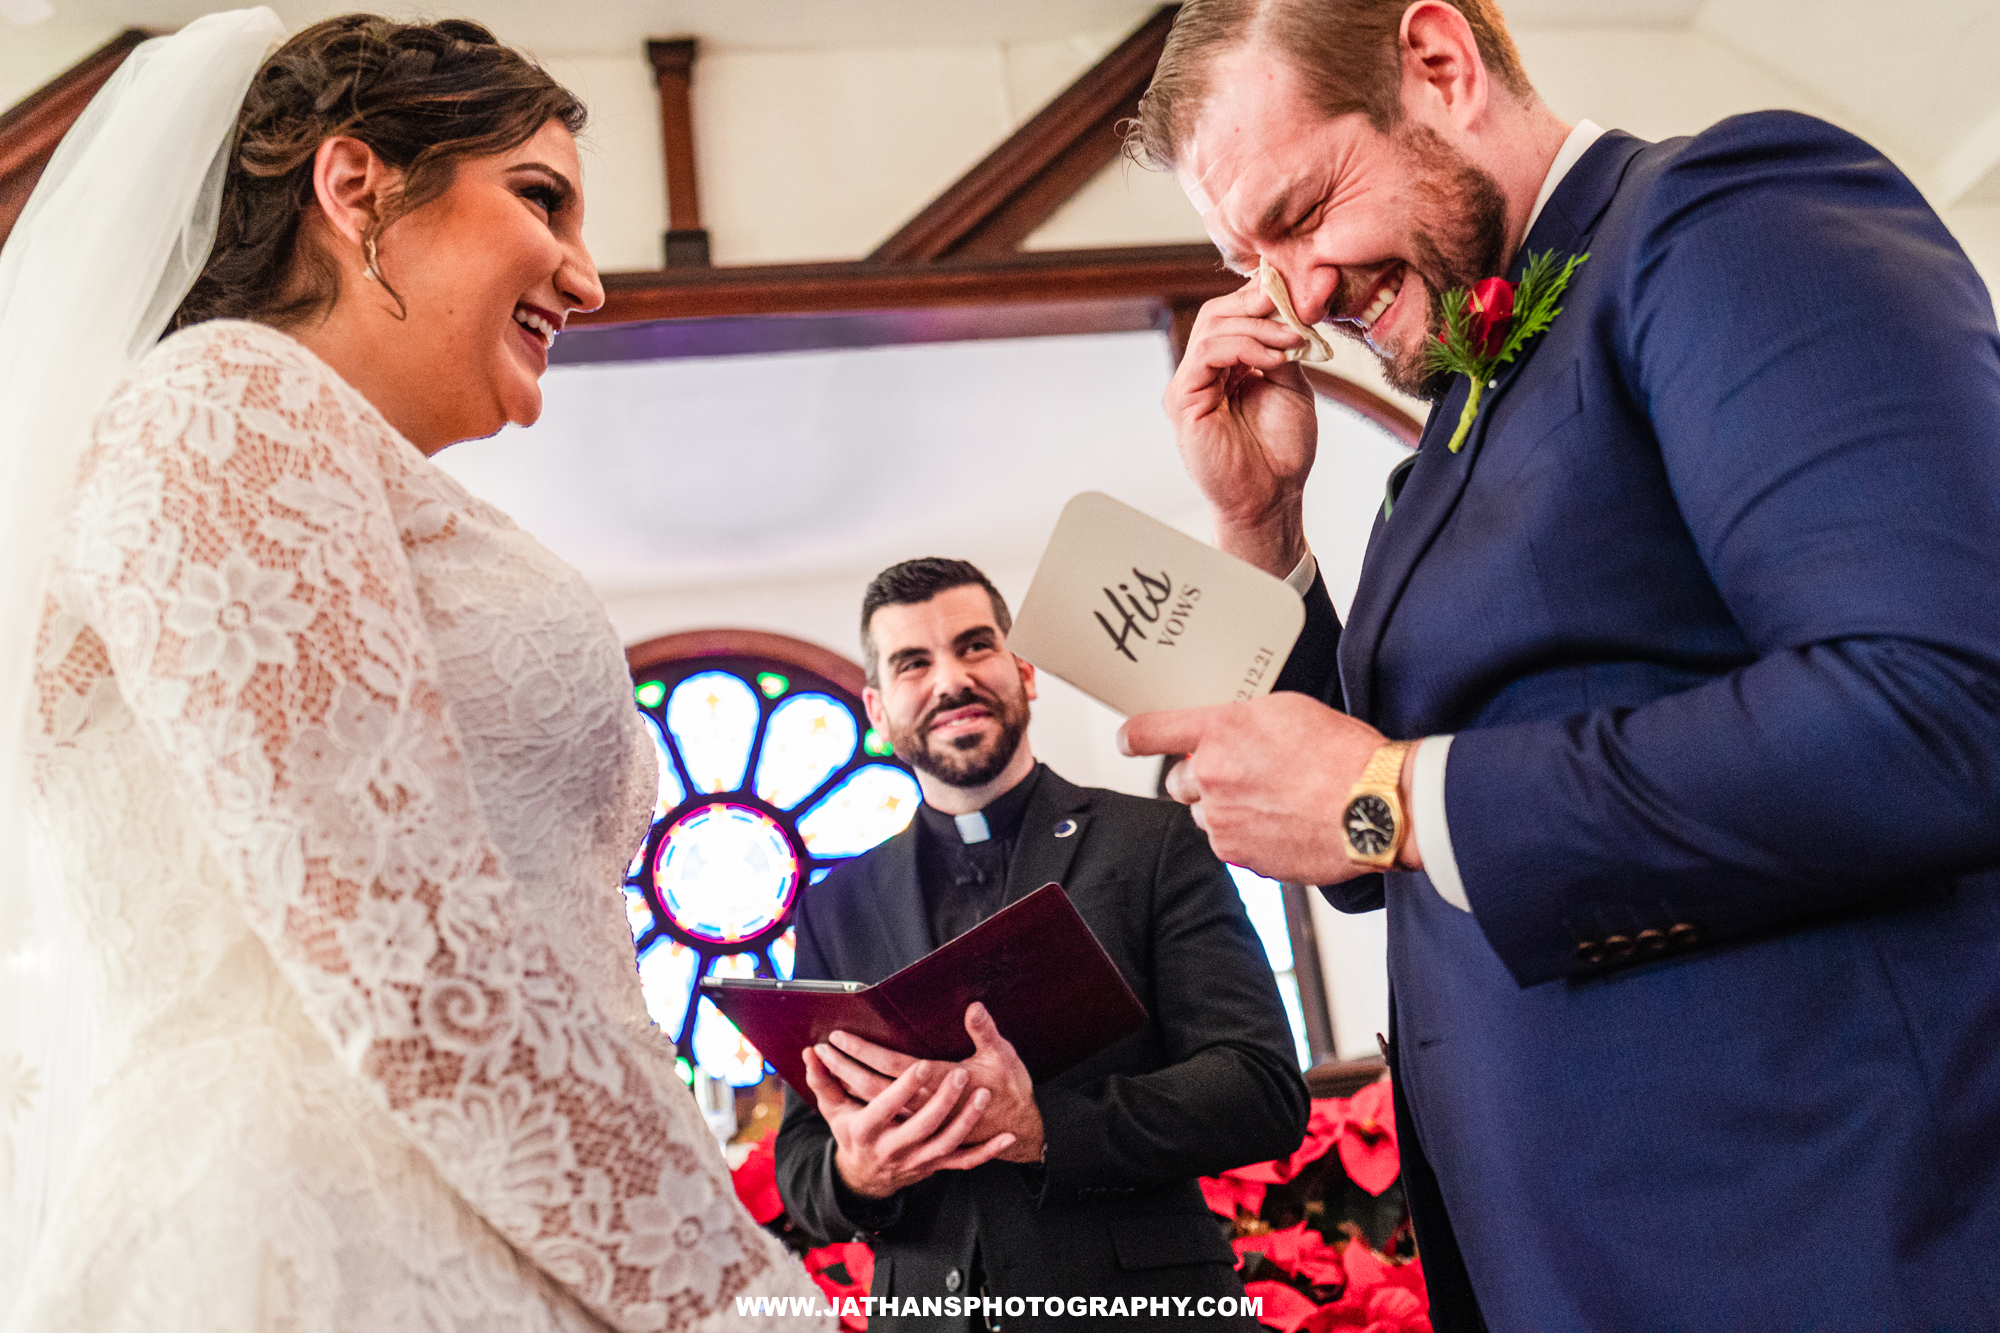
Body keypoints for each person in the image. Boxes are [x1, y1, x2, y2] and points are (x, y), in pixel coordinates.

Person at [1115, 0, 2000, 1327]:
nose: (1293, 295)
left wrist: (1401, 796)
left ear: (1441, 63)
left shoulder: (1721, 218)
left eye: (1301, 213)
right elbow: (1365, 850)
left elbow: (1943, 705)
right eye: (1251, 256)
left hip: (1823, 1240)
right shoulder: (1449, 442)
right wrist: (1262, 529)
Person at [0, 13, 824, 1331]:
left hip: (484, 1222)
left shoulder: (342, 463)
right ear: (356, 186)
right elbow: (408, 950)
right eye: (541, 198)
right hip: (326, 1235)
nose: (589, 278)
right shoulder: (218, 406)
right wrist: (736, 1293)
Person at [773, 558, 1308, 1330]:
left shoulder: (1154, 842)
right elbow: (801, 1162)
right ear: (878, 709)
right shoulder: (835, 908)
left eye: (975, 645)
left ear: (1024, 672)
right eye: (913, 663)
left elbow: (1261, 1089)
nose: (951, 679)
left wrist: (1046, 1128)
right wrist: (855, 1171)